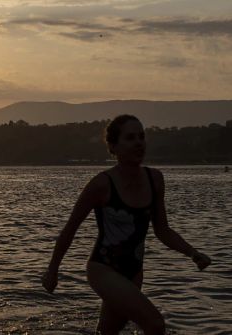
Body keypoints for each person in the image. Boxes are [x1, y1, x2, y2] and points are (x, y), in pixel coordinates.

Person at [42, 115, 211, 335]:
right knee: (155, 324)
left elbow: (163, 230)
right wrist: (52, 270)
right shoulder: (101, 184)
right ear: (113, 146)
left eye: (142, 136)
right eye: (130, 138)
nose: (139, 142)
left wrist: (192, 252)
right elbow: (70, 229)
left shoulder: (155, 179)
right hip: (103, 269)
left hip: (134, 272)